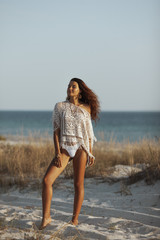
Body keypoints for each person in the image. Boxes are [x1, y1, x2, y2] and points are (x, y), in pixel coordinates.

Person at [40, 78, 100, 229]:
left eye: (74, 86)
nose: (70, 88)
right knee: (47, 180)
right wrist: (57, 152)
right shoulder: (60, 106)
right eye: (69, 86)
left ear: (80, 91)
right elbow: (56, 131)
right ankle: (46, 218)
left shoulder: (86, 108)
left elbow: (88, 132)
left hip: (81, 148)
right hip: (65, 148)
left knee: (78, 184)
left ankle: (75, 220)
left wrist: (90, 152)